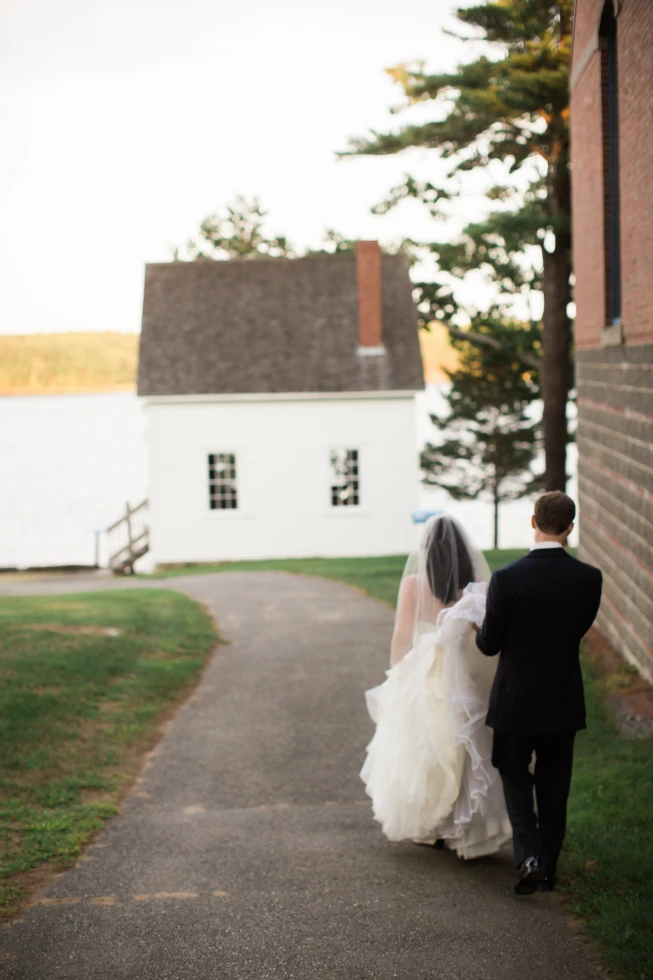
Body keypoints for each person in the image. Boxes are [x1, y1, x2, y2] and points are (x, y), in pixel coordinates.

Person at [360, 515, 512, 859]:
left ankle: (431, 826)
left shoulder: (415, 583)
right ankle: (464, 825)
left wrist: (397, 672)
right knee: (464, 746)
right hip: (463, 674)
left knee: (426, 746)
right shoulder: (477, 585)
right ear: (463, 552)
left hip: (424, 673)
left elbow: (402, 634)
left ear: (427, 551)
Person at [475, 491, 602, 895]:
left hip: (515, 698)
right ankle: (547, 868)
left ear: (533, 522)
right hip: (562, 697)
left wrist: (478, 629)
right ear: (570, 526)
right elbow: (574, 630)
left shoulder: (507, 578)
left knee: (513, 771)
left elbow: (490, 646)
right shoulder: (588, 578)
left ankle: (527, 854)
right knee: (554, 782)